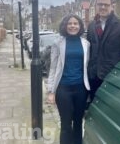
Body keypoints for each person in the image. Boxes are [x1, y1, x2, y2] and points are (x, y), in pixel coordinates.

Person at [46, 14, 90, 144]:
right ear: (65, 26)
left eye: (76, 23)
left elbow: (86, 66)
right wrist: (51, 91)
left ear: (80, 26)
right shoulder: (58, 43)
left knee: (78, 123)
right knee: (65, 125)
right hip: (63, 89)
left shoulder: (86, 44)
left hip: (81, 89)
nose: (73, 26)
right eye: (70, 23)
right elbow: (53, 68)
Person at [87, 0, 120, 103]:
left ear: (112, 6)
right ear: (96, 5)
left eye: (106, 5)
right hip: (93, 76)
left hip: (111, 77)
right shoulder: (92, 26)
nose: (102, 7)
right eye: (100, 4)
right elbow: (89, 50)